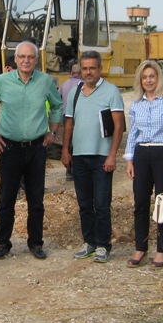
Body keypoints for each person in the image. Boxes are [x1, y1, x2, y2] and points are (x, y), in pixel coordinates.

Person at [0, 41, 62, 260]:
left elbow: (57, 105)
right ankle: (3, 242)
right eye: (22, 57)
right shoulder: (2, 81)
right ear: (16, 59)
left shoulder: (45, 82)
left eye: (31, 57)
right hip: (9, 148)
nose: (26, 61)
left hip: (37, 148)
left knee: (36, 199)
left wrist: (53, 132)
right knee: (6, 199)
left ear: (36, 60)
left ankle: (36, 243)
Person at [61, 50, 124, 263]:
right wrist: (65, 151)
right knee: (85, 203)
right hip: (79, 157)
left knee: (102, 203)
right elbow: (68, 123)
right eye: (85, 68)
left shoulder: (111, 92)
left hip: (101, 157)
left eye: (92, 68)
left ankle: (103, 245)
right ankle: (89, 242)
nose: (88, 72)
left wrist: (112, 155)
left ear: (100, 69)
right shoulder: (75, 93)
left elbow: (118, 126)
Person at [123, 60, 163, 269]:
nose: (148, 80)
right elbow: (133, 133)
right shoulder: (137, 104)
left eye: (152, 76)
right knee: (140, 203)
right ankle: (140, 248)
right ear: (140, 80)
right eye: (145, 77)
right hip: (142, 154)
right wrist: (129, 158)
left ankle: (161, 250)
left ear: (158, 78)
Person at [59, 64, 84, 181]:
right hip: (79, 116)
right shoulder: (83, 85)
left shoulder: (64, 84)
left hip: (65, 115)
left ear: (71, 72)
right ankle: (77, 171)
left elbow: (58, 100)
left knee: (68, 143)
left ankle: (69, 172)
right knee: (78, 143)